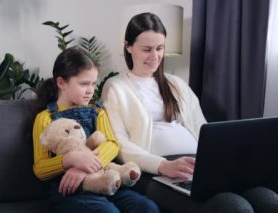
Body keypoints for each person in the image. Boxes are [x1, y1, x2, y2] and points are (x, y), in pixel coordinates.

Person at [101, 12, 278, 213]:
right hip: (155, 172)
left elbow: (204, 129)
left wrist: (217, 162)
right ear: (128, 46)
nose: (155, 56)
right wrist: (162, 165)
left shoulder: (176, 84)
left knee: (268, 199)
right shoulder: (116, 87)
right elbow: (119, 145)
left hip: (199, 167)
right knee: (233, 207)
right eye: (147, 49)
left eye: (160, 48)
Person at [32, 46, 160, 213]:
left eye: (93, 83)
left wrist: (84, 167)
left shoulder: (97, 112)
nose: (90, 90)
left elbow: (112, 145)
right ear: (61, 83)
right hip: (69, 190)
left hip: (104, 180)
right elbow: (40, 168)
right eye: (84, 84)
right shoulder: (45, 118)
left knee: (147, 208)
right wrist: (70, 160)